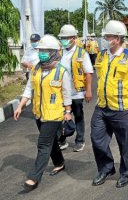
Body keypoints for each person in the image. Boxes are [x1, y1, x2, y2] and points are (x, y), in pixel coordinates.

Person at [13, 35, 72, 191]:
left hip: (54, 114)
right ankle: (59, 163)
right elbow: (29, 88)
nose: (41, 53)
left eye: (45, 51)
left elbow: (67, 93)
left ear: (53, 52)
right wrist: (20, 105)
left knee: (43, 144)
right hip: (39, 113)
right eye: (40, 50)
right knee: (51, 141)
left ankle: (34, 177)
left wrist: (68, 111)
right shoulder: (36, 68)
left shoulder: (61, 71)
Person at [91, 20, 128, 188]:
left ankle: (125, 172)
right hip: (102, 106)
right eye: (106, 36)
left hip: (122, 110)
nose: (105, 38)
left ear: (118, 38)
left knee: (125, 143)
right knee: (97, 139)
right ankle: (106, 168)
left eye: (109, 36)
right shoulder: (101, 55)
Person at [58, 24, 93, 151]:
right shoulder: (59, 52)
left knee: (78, 116)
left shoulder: (81, 53)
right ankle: (62, 140)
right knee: (61, 116)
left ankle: (80, 140)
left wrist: (88, 90)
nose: (63, 40)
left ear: (73, 38)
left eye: (66, 37)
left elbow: (88, 72)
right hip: (62, 92)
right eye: (62, 38)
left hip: (77, 92)